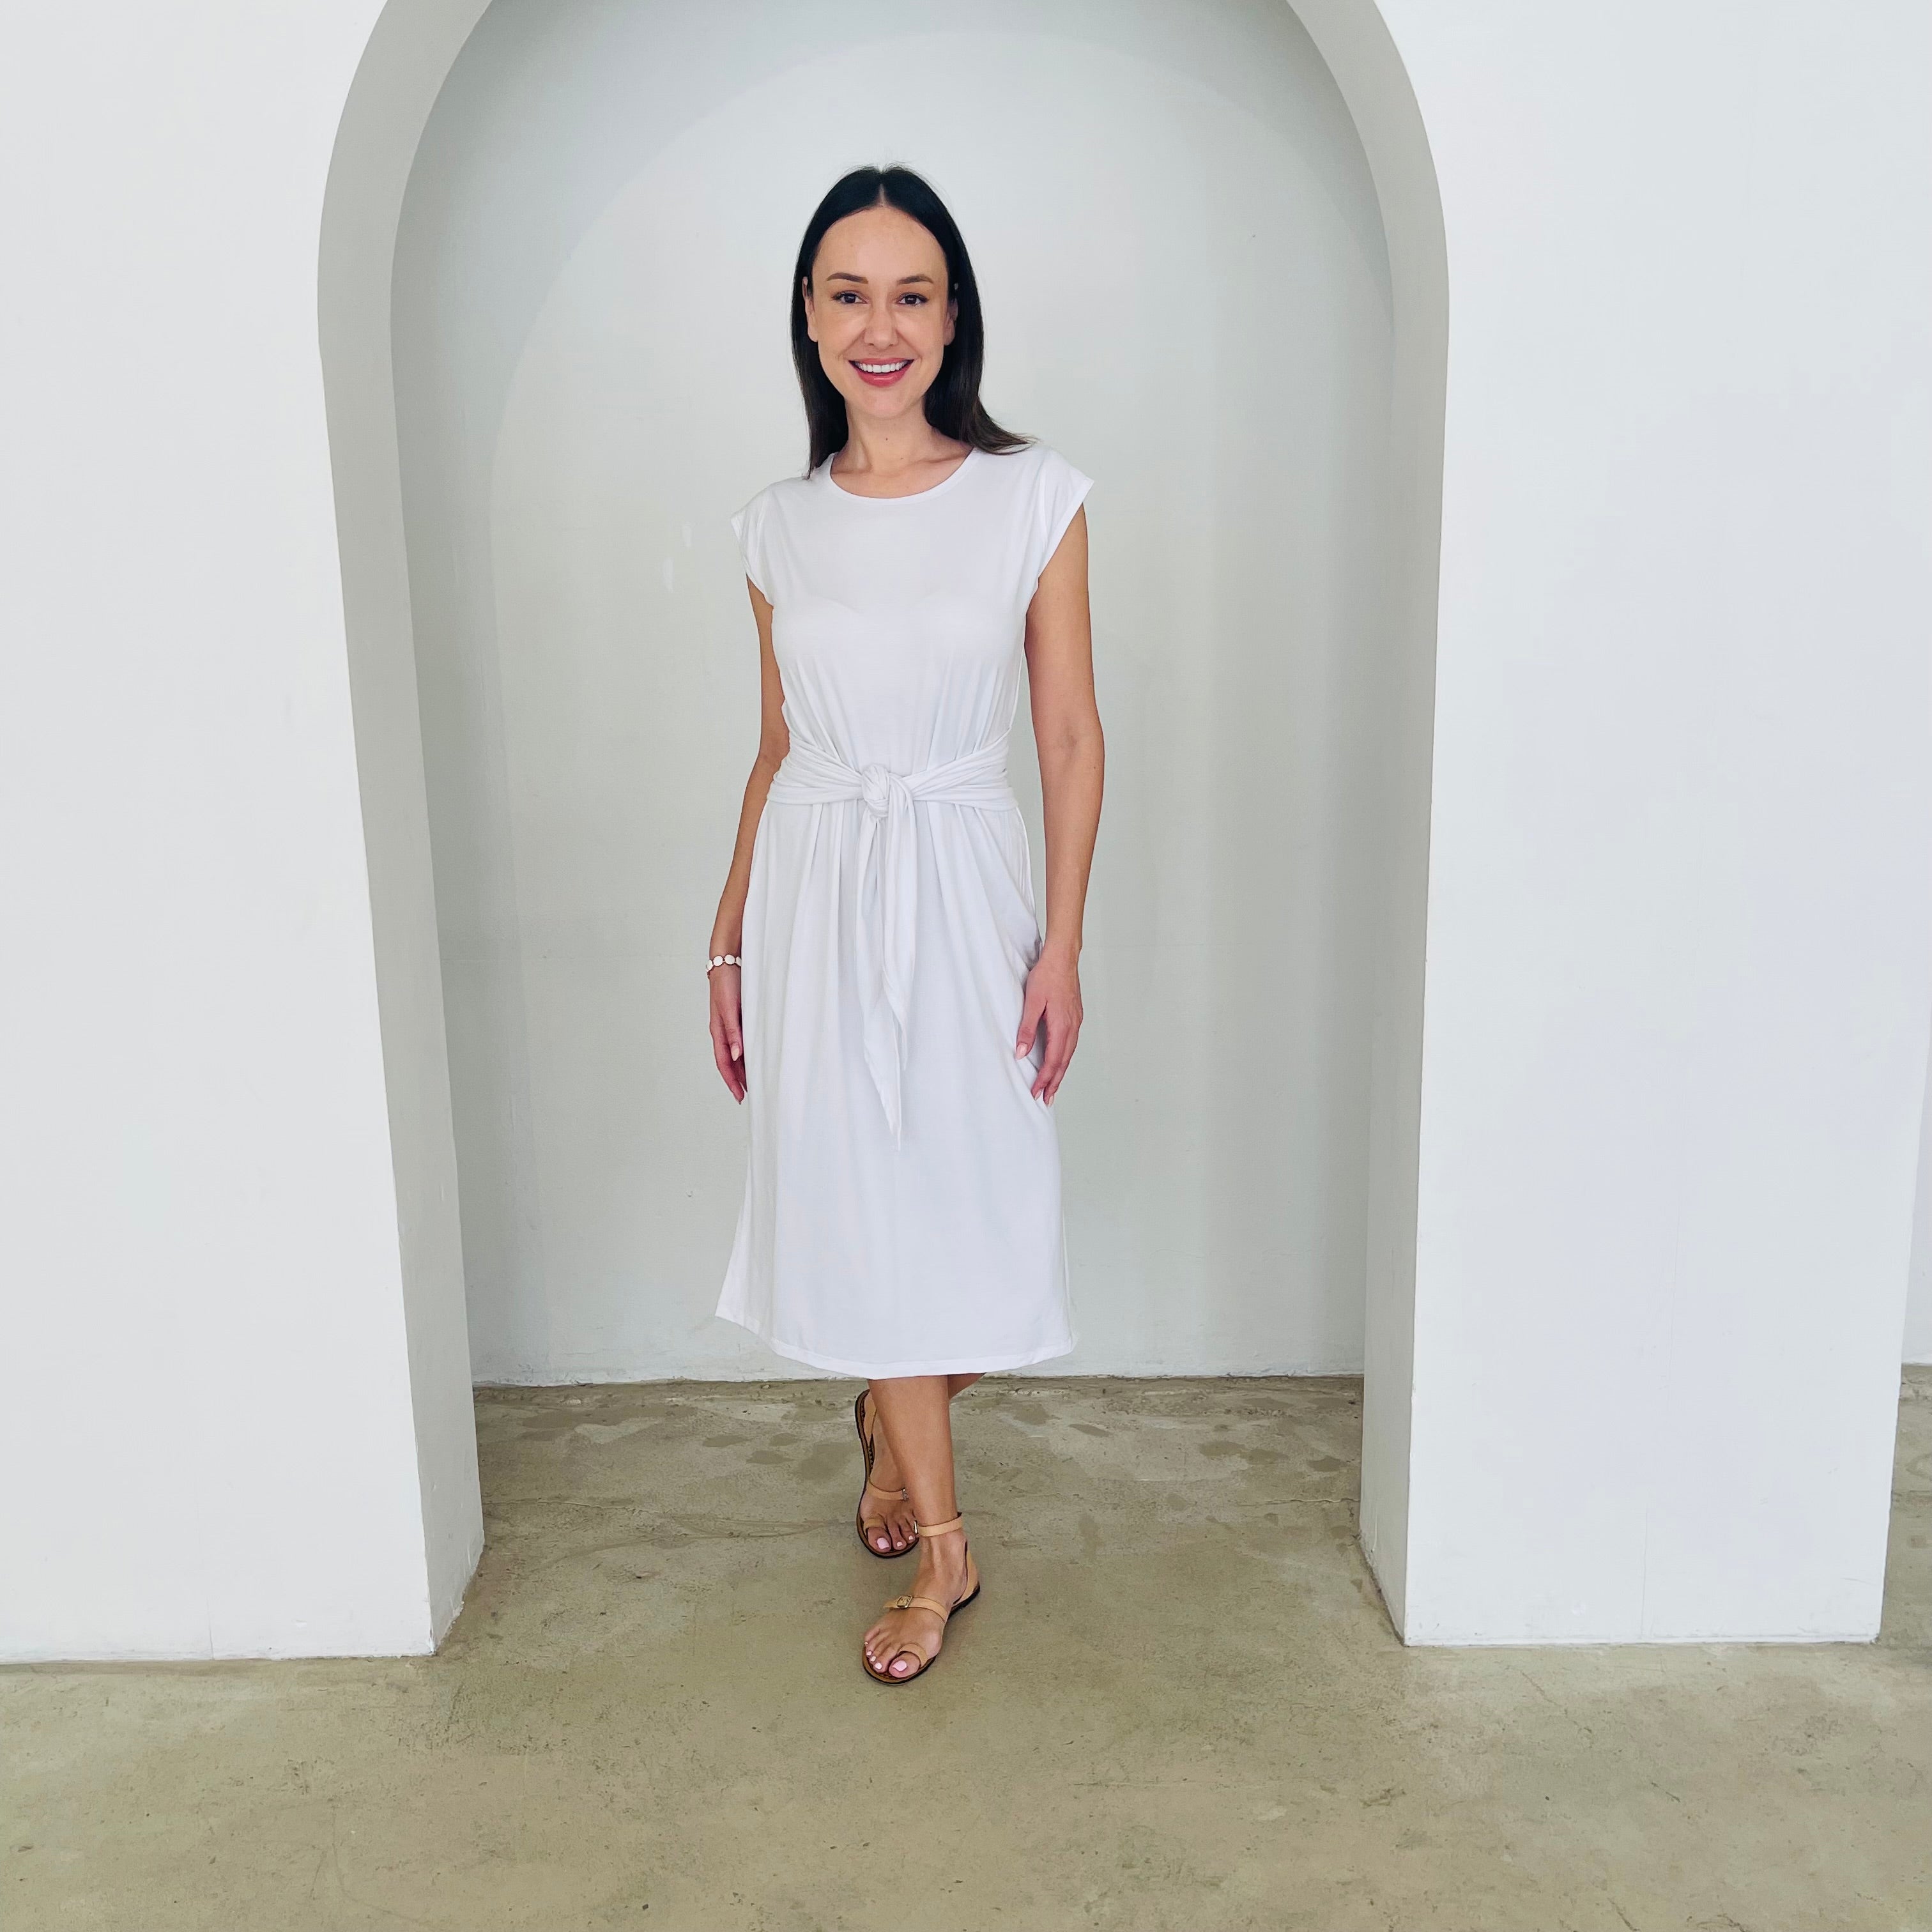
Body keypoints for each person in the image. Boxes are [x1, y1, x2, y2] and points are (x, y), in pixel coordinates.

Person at [705, 165, 1103, 1685]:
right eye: (849, 292)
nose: (882, 327)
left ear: (954, 318)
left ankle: (891, 1411)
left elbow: (1071, 737)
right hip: (817, 884)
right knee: (869, 1208)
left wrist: (1061, 942)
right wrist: (730, 934)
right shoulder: (776, 529)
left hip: (963, 872)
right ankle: (947, 1553)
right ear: (809, 319)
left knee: (981, 1216)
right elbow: (774, 745)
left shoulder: (1033, 497)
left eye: (912, 294)